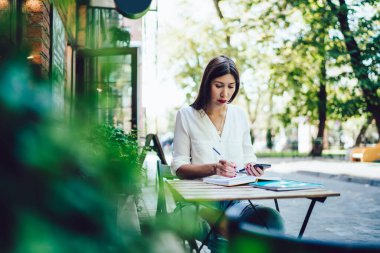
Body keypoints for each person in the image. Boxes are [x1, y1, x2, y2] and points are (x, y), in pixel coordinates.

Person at [170, 55, 284, 252]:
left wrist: (253, 169)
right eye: (219, 85)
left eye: (231, 86)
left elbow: (249, 157)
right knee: (225, 232)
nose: (225, 93)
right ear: (207, 83)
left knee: (273, 222)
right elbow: (179, 167)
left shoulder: (239, 116)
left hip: (235, 202)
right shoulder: (186, 115)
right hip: (197, 204)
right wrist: (213, 168)